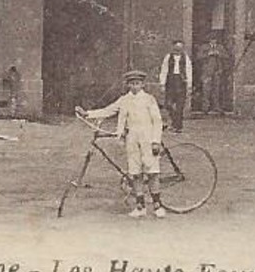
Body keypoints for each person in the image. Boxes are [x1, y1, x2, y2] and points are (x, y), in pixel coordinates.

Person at [77, 69, 167, 218]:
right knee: (135, 173)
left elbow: (157, 121)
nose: (135, 87)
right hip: (131, 139)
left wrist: (156, 141)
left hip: (147, 139)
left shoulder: (149, 99)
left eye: (137, 83)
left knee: (152, 172)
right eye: (132, 84)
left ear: (143, 84)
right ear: (128, 85)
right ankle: (140, 206)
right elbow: (109, 110)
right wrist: (88, 114)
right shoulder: (124, 100)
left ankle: (157, 206)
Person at [157, 39, 193, 132]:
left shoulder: (186, 58)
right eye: (176, 48)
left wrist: (189, 85)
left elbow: (189, 71)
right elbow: (164, 70)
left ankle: (178, 126)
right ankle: (174, 122)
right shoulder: (168, 57)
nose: (178, 50)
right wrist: (162, 84)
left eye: (180, 48)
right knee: (168, 104)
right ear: (173, 47)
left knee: (180, 106)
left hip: (181, 82)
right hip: (171, 82)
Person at [199, 31, 229, 115]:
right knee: (206, 90)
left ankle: (217, 107)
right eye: (212, 39)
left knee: (217, 90)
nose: (213, 41)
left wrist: (219, 54)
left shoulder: (220, 47)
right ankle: (205, 108)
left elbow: (226, 56)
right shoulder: (204, 47)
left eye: (215, 39)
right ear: (209, 40)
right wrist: (208, 54)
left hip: (217, 71)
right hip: (206, 72)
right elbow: (199, 57)